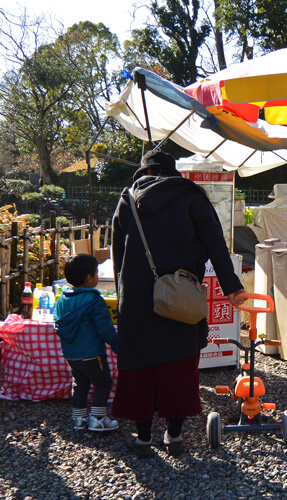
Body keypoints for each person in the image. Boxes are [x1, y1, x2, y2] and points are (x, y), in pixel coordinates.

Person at [111, 150, 246, 458]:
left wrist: (124, 297)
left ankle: (143, 438)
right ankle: (174, 437)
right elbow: (215, 243)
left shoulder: (128, 199)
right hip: (182, 296)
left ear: (143, 173)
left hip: (138, 299)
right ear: (172, 173)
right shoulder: (191, 196)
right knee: (179, 366)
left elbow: (117, 255)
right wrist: (232, 287)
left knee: (140, 367)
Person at [54, 253, 119, 432]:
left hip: (70, 354)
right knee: (103, 383)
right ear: (89, 278)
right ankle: (98, 419)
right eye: (97, 273)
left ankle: (79, 419)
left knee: (80, 384)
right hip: (92, 354)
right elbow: (105, 329)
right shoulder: (94, 299)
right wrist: (118, 346)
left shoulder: (62, 299)